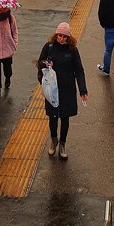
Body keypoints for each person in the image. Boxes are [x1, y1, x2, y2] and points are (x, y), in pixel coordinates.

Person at [37, 22, 87, 160]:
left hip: (67, 89)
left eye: (65, 36)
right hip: (51, 89)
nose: (62, 39)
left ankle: (63, 143)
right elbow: (39, 62)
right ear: (56, 35)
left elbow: (79, 70)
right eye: (59, 35)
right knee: (53, 117)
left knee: (65, 117)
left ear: (68, 37)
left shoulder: (72, 50)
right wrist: (44, 64)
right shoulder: (49, 47)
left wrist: (83, 90)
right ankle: (54, 140)